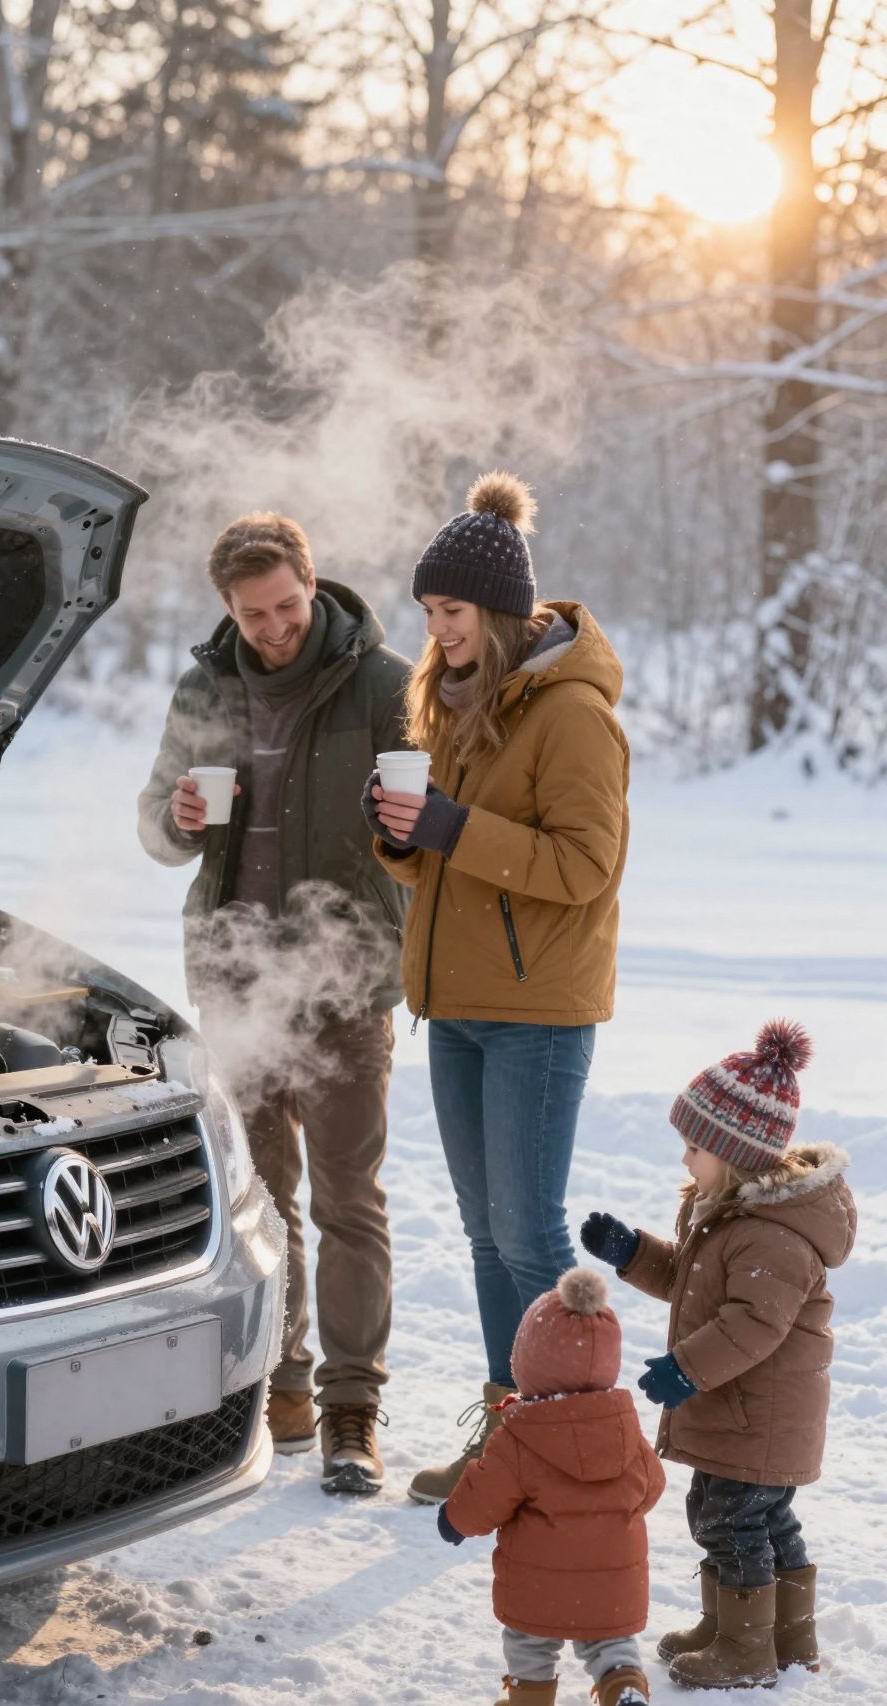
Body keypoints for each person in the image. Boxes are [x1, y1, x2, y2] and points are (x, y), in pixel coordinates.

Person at [366, 472, 630, 1506]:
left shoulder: (573, 715)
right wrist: (401, 835)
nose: (438, 632)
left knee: (529, 1232)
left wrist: (452, 827)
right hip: (457, 1007)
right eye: (429, 613)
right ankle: (508, 1438)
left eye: (454, 612)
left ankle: (577, 1449)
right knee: (484, 1234)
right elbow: (447, 866)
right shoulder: (461, 703)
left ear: (503, 613)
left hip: (538, 1016)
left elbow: (584, 867)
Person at [138, 513, 410, 1496]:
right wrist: (178, 818)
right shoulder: (206, 688)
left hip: (346, 982)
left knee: (348, 1201)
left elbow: (427, 827)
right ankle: (282, 1383)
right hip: (238, 980)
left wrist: (406, 836)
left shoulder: (383, 684)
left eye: (288, 605)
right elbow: (155, 824)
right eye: (255, 614)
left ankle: (352, 1408)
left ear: (313, 581)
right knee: (260, 1197)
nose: (276, 627)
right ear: (228, 607)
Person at [579, 1019, 856, 1690]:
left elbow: (752, 1324)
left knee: (728, 1519)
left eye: (695, 1147)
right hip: (748, 1413)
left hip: (757, 1416)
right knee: (760, 1517)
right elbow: (691, 1283)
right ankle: (779, 1635)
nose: (685, 1160)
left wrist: (685, 1369)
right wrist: (634, 1253)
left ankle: (745, 1649)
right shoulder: (730, 1216)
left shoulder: (772, 1238)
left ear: (735, 1154)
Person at [438, 1267, 665, 1706]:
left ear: (529, 1363)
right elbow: (652, 1489)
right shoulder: (626, 1431)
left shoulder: (520, 1435)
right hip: (613, 1584)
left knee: (529, 1639)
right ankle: (623, 1690)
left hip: (537, 1582)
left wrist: (453, 1521)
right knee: (611, 1642)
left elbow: (485, 1497)